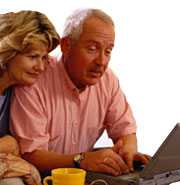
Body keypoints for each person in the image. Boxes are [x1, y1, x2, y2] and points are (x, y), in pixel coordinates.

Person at [10, 8, 150, 177]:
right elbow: (31, 154)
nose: (101, 62)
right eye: (92, 49)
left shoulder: (108, 80)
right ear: (66, 46)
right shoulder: (34, 79)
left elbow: (125, 130)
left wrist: (129, 151)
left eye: (108, 51)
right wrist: (81, 160)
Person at [0, 10, 59, 185]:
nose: (41, 67)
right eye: (33, 57)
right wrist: (8, 143)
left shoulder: (14, 90)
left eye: (44, 57)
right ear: (7, 52)